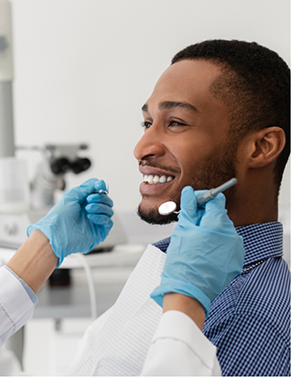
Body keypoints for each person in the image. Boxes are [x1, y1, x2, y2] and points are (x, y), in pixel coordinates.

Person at [0, 1, 245, 375]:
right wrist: (186, 303)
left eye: (177, 122)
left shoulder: (255, 315)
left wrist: (44, 249)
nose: (141, 149)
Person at [68, 40, 290, 376]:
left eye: (176, 123)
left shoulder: (246, 318)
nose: (141, 148)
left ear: (261, 147)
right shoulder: (182, 270)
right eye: (147, 123)